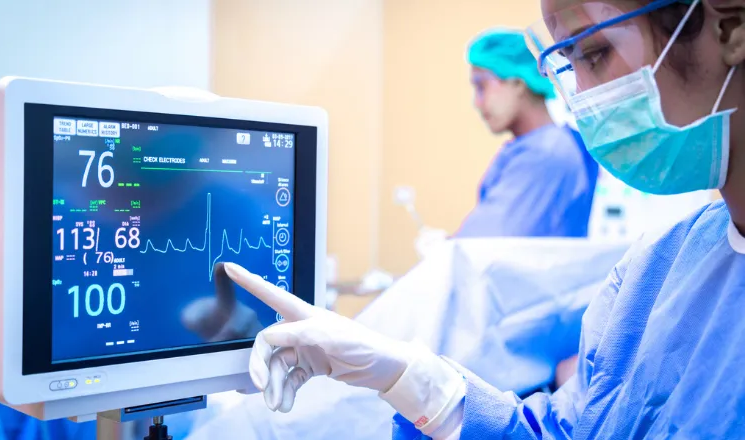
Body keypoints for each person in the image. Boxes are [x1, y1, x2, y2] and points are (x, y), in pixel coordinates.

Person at [222, 0, 745, 438]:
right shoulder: (661, 267)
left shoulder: (549, 160)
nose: (583, 98)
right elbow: (567, 429)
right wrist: (414, 379)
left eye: (595, 52)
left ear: (730, 28)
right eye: (567, 63)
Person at [452, 29, 599, 239]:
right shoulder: (535, 146)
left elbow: (483, 245)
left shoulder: (546, 154)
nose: (477, 102)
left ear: (518, 84)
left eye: (481, 86)